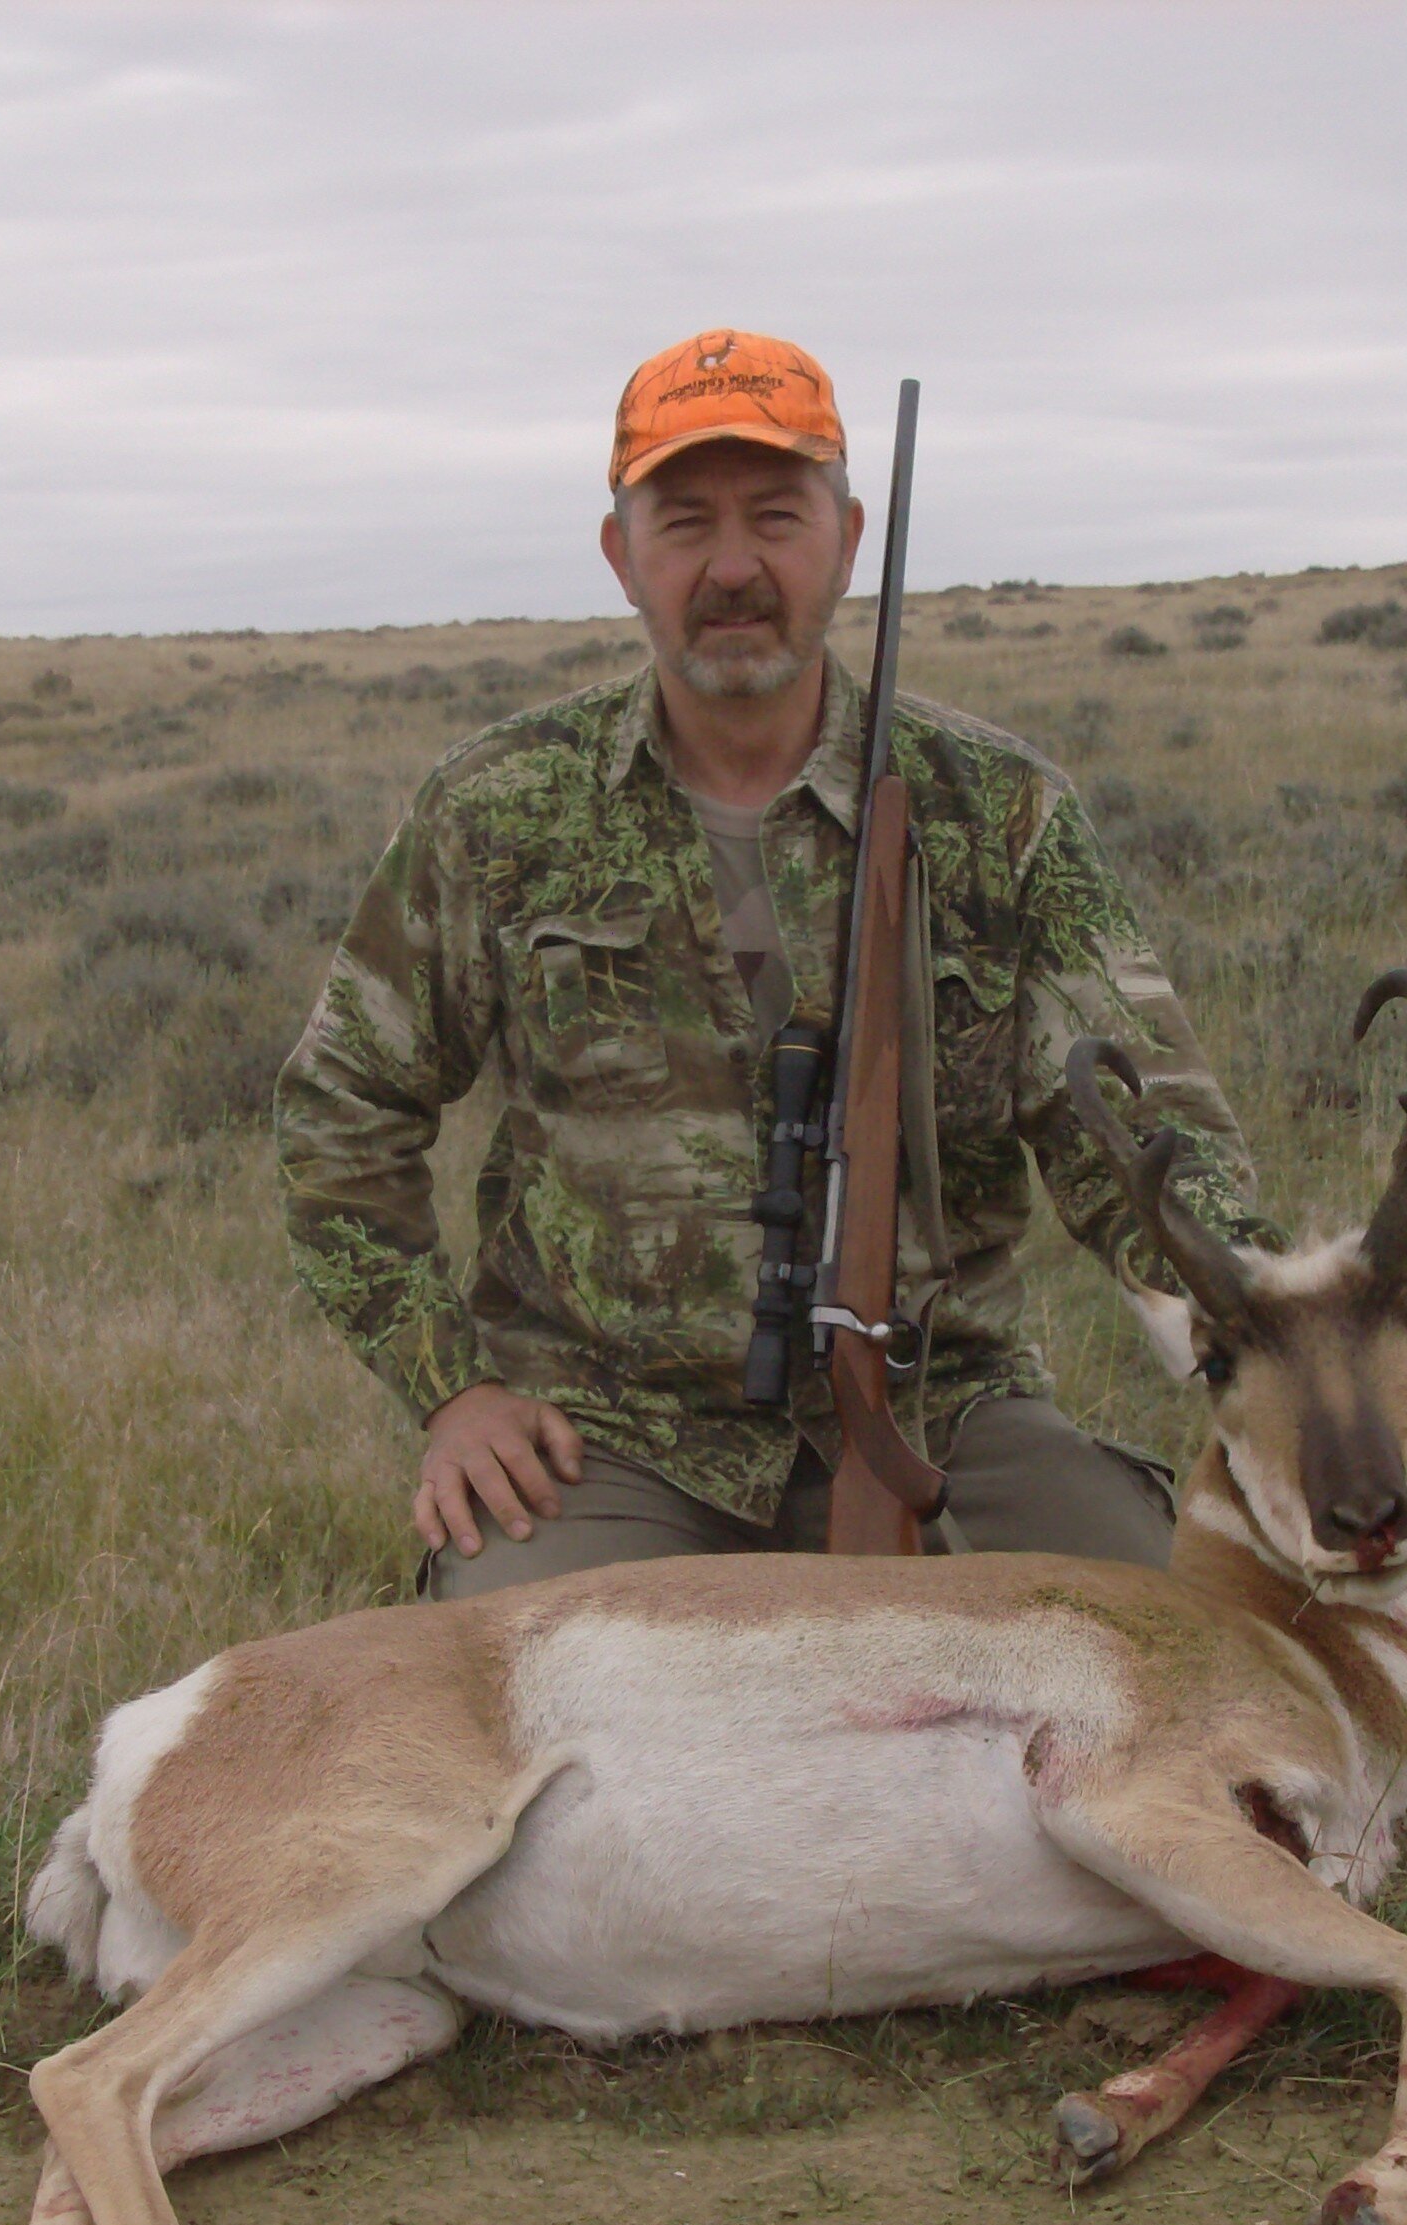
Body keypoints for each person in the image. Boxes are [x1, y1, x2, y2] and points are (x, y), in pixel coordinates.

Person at [274, 328, 1276, 1598]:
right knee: (529, 1730)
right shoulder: (499, 807)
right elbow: (338, 1110)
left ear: (849, 541)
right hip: (613, 1440)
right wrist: (452, 1390)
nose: (735, 566)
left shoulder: (1001, 810)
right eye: (684, 521)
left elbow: (1148, 1141)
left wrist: (1280, 1321)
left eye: (777, 517)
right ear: (619, 554)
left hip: (941, 1410)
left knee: (1191, 1645)